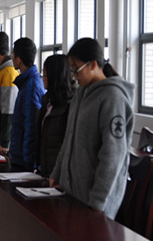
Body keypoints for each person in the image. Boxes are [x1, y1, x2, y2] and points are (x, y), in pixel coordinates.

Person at [50, 38, 134, 219]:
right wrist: (57, 174)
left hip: (96, 201)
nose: (74, 75)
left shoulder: (112, 97)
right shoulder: (80, 94)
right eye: (71, 70)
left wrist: (98, 201)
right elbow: (68, 139)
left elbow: (113, 154)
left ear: (93, 65)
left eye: (76, 69)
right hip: (74, 192)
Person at [8, 38, 45, 172]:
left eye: (13, 54)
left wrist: (29, 162)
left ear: (19, 59)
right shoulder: (26, 82)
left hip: (24, 161)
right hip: (19, 156)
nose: (11, 57)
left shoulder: (31, 85)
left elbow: (31, 125)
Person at [35, 54, 75, 177]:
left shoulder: (71, 105)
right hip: (45, 170)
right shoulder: (47, 102)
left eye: (45, 75)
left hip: (61, 174)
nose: (43, 78)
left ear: (55, 76)